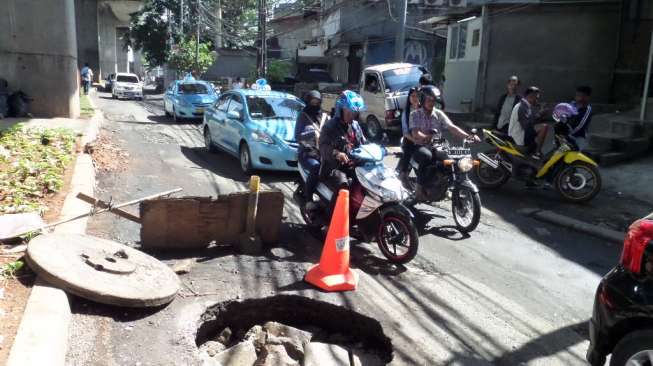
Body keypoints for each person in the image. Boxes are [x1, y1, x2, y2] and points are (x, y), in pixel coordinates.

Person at [410, 86, 480, 201]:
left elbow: (452, 127)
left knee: (453, 159)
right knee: (426, 156)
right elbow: (415, 133)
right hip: (420, 146)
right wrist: (426, 137)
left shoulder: (438, 114)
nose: (431, 103)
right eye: (428, 100)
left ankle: (448, 184)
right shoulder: (415, 114)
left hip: (437, 145)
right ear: (422, 100)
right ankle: (418, 190)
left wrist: (469, 136)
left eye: (433, 100)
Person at [318, 90, 366, 207]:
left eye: (354, 112)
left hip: (353, 165)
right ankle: (332, 217)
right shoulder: (330, 126)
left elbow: (364, 143)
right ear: (341, 109)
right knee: (343, 186)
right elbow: (323, 146)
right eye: (349, 111)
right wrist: (336, 153)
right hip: (334, 167)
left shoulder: (355, 125)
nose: (352, 115)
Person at [294, 90, 326, 207]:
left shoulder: (324, 116)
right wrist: (312, 133)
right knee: (316, 167)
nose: (314, 104)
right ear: (307, 102)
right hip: (307, 153)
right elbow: (297, 136)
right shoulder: (302, 116)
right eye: (312, 101)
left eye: (317, 102)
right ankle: (309, 199)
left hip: (324, 152)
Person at [508, 86, 549, 158]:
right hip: (518, 137)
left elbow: (531, 122)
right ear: (531, 96)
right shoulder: (522, 107)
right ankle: (537, 153)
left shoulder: (525, 105)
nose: (537, 101)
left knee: (539, 130)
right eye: (536, 98)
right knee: (544, 127)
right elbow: (527, 126)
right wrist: (540, 114)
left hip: (521, 133)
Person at [396, 87, 421, 184]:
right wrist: (415, 140)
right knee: (409, 149)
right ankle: (403, 174)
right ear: (409, 98)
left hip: (425, 139)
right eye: (413, 96)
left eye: (417, 96)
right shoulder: (406, 112)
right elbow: (405, 132)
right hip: (410, 139)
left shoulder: (425, 110)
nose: (415, 98)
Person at [569, 86, 593, 151]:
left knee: (576, 154)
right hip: (566, 133)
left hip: (579, 137)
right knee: (559, 152)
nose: (579, 98)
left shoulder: (588, 110)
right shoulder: (572, 104)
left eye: (582, 96)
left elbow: (580, 126)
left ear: (587, 97)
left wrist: (568, 133)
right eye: (577, 95)